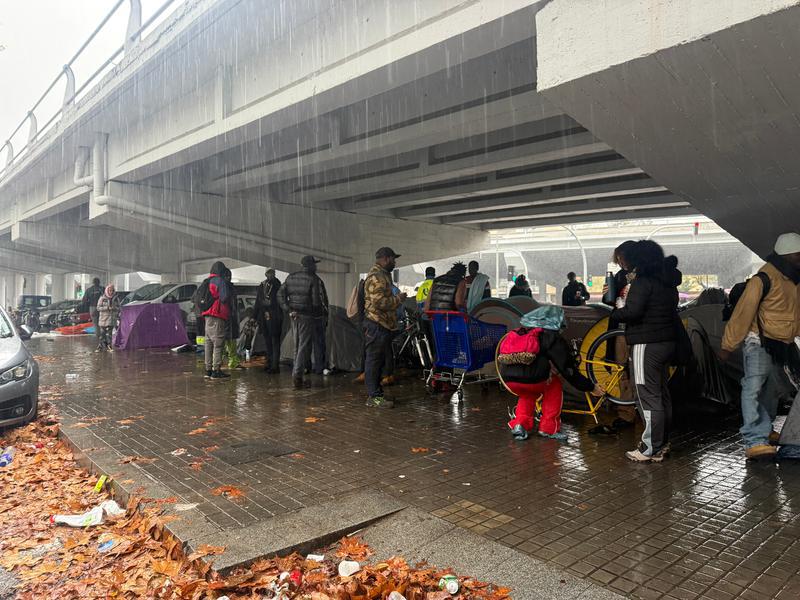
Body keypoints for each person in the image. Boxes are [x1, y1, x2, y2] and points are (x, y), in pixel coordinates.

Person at [721, 232, 800, 460]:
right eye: (798, 256)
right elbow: (742, 314)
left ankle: (764, 430)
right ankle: (754, 440)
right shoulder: (763, 279)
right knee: (753, 388)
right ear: (786, 256)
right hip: (760, 343)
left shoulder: (793, 279)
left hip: (782, 344)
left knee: (771, 390)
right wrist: (728, 344)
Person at [611, 240, 682, 462]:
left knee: (646, 396)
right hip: (666, 342)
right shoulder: (668, 281)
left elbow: (632, 313)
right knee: (661, 394)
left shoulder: (643, 282)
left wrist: (618, 309)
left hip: (646, 343)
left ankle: (649, 448)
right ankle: (662, 444)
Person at [499, 306, 604, 440]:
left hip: (509, 379)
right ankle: (548, 428)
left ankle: (520, 424)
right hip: (533, 379)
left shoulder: (520, 331)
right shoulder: (550, 336)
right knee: (553, 385)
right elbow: (568, 370)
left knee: (528, 393)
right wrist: (590, 387)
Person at [600, 240, 638, 429]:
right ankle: (626, 413)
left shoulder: (644, 275)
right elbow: (611, 302)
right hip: (620, 330)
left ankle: (644, 413)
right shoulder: (619, 276)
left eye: (622, 258)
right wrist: (607, 294)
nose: (621, 262)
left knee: (641, 373)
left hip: (638, 330)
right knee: (622, 370)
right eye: (619, 259)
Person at [362, 247, 405, 408]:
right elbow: (378, 302)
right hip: (376, 324)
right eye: (393, 259)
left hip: (382, 324)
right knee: (374, 361)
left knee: (378, 361)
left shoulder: (382, 275)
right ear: (386, 259)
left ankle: (377, 395)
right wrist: (398, 299)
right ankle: (374, 398)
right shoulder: (377, 277)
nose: (394, 263)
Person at [278, 255, 329, 388]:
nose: (316, 267)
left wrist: (288, 309)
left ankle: (296, 373)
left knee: (296, 346)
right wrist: (318, 315)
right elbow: (317, 302)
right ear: (311, 266)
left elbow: (280, 295)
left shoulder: (291, 277)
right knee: (303, 346)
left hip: (293, 315)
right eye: (315, 265)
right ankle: (297, 376)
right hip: (306, 316)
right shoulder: (313, 279)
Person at [202, 261, 231, 379]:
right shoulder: (220, 281)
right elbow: (224, 298)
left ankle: (208, 369)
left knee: (208, 343)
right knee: (218, 344)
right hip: (217, 315)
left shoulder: (206, 281)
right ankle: (216, 370)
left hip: (207, 315)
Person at [254, 268, 283, 373]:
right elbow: (258, 302)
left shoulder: (277, 285)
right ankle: (270, 363)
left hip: (275, 317)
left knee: (274, 341)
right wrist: (254, 317)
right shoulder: (262, 285)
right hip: (264, 317)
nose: (270, 275)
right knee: (268, 341)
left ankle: (275, 365)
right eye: (269, 273)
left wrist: (270, 304)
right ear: (266, 274)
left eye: (272, 273)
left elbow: (279, 301)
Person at [95, 284, 119, 352]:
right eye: (109, 290)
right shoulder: (102, 298)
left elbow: (119, 307)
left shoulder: (116, 298)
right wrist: (107, 308)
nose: (111, 292)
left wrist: (115, 308)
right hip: (103, 319)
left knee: (109, 334)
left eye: (112, 290)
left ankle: (109, 346)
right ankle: (100, 346)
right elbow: (98, 308)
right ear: (107, 290)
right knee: (102, 334)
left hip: (112, 319)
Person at [83, 277, 104, 345]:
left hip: (92, 307)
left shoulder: (89, 290)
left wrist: (88, 304)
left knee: (95, 324)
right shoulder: (103, 289)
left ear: (93, 282)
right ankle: (104, 337)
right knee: (102, 322)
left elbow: (84, 300)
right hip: (102, 307)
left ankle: (98, 337)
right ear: (99, 282)